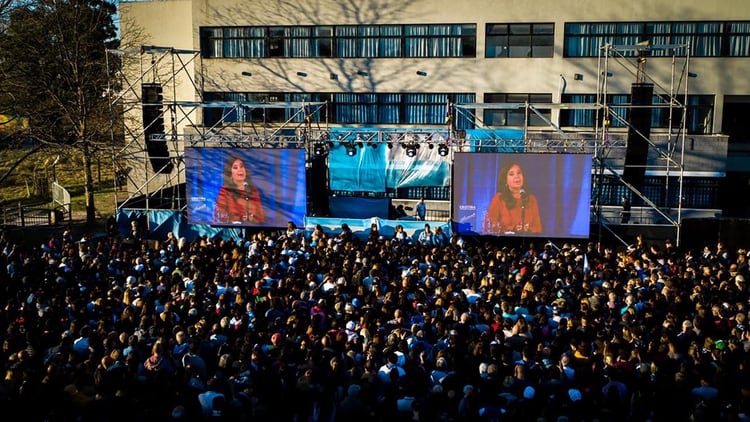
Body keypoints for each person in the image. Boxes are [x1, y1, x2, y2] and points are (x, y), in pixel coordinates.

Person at [484, 162, 542, 234]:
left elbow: (538, 227)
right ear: (505, 180)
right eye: (511, 174)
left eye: (519, 173)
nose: (516, 176)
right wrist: (514, 228)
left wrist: (528, 229)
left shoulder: (531, 199)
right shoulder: (499, 199)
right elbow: (492, 225)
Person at [214, 155, 265, 224]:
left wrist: (253, 219)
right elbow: (220, 217)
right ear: (230, 173)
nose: (240, 169)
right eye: (235, 167)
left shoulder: (253, 190)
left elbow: (261, 217)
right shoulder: (225, 191)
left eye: (242, 166)